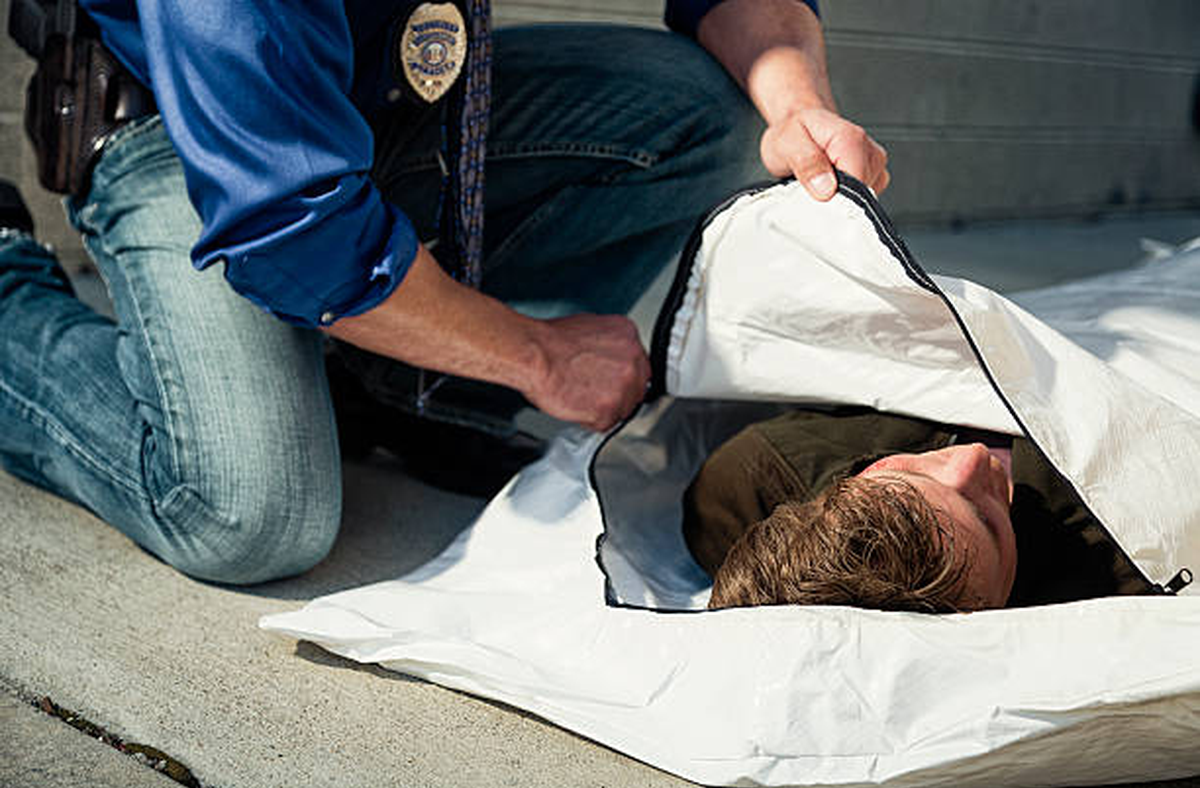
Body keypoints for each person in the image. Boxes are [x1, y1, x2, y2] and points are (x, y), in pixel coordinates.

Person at [0, 0, 888, 584]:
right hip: (190, 131)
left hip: (381, 101)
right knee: (247, 513)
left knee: (717, 119)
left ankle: (391, 383)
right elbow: (289, 227)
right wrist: (537, 355)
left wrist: (797, 105)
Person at [682, 407, 1154, 612]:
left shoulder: (743, 487)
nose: (970, 460)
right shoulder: (1128, 557)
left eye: (905, 472)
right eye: (987, 521)